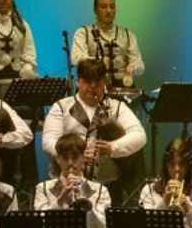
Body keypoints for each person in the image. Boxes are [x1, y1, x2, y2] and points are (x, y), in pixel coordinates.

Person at [42, 58, 145, 202]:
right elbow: (48, 141)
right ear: (78, 81)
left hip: (108, 184)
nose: (92, 86)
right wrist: (76, 154)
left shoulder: (117, 107)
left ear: (104, 82)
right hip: (68, 182)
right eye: (87, 81)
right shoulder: (61, 107)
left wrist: (112, 148)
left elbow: (139, 136)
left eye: (97, 81)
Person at [70, 0, 143, 90]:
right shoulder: (83, 32)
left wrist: (133, 67)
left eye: (112, 7)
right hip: (93, 85)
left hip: (122, 87)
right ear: (95, 10)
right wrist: (99, 61)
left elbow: (140, 65)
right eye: (103, 7)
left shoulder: (127, 34)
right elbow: (76, 58)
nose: (108, 11)